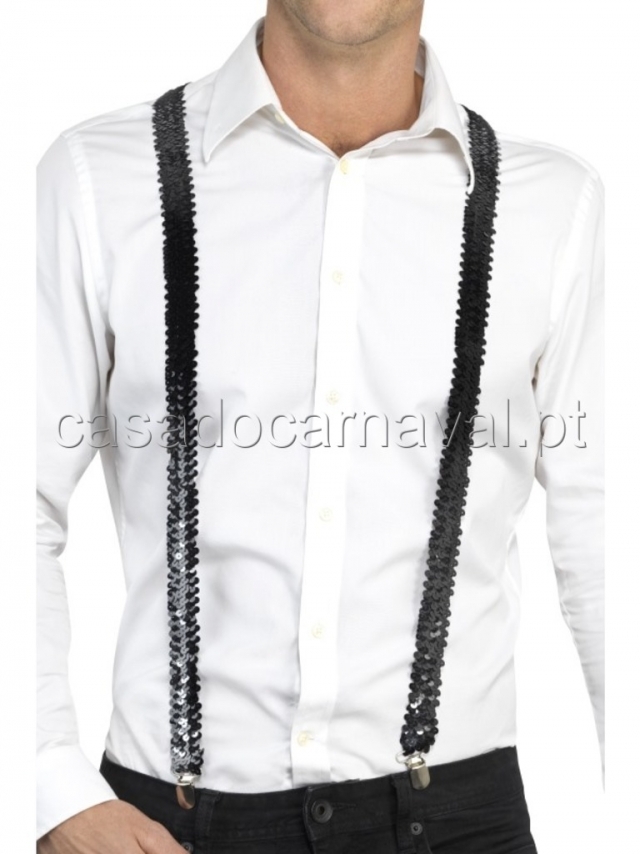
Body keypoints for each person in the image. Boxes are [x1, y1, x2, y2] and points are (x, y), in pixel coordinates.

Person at [36, 1, 604, 852]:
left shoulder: (556, 205)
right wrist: (50, 787)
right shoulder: (96, 179)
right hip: (166, 826)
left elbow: (609, 535)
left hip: (462, 819)